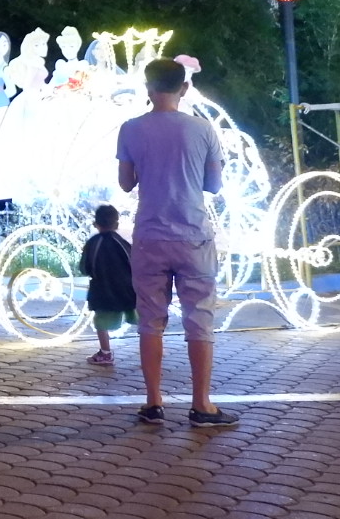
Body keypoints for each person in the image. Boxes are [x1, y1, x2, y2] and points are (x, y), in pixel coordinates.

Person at [118, 58, 236, 427]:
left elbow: (125, 183)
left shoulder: (130, 128)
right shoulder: (203, 128)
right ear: (184, 88)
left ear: (147, 87)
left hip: (150, 235)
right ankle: (202, 405)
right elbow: (213, 185)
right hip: (193, 235)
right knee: (199, 319)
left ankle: (153, 402)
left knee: (150, 321)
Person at [80, 204, 136, 366]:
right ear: (116, 224)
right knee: (141, 319)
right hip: (128, 290)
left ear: (95, 224)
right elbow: (134, 263)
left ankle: (105, 352)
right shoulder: (122, 243)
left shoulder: (93, 243)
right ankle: (151, 347)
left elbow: (85, 268)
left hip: (103, 291)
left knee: (101, 322)